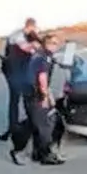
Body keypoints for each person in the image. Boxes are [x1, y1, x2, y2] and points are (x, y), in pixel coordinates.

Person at [20, 33, 65, 165]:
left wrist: (50, 96)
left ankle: (37, 153)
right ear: (48, 44)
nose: (57, 46)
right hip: (36, 96)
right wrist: (45, 97)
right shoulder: (44, 58)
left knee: (37, 125)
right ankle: (45, 155)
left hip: (29, 94)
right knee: (45, 126)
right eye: (55, 44)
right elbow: (42, 79)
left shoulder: (38, 54)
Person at [0, 18, 40, 141]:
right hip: (13, 71)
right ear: (28, 26)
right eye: (32, 29)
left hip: (21, 71)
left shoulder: (29, 35)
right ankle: (14, 127)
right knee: (16, 98)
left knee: (26, 98)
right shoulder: (18, 36)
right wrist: (35, 45)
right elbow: (27, 48)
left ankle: (27, 124)